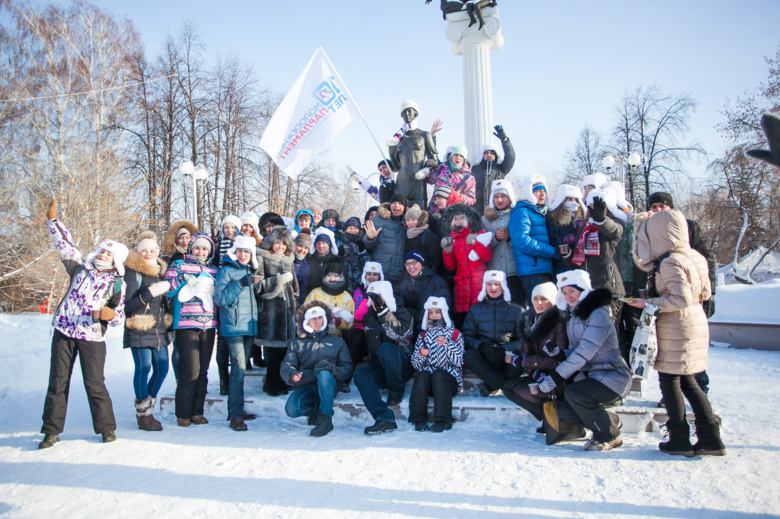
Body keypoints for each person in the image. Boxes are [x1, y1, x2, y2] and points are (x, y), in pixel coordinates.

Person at [628, 209, 726, 456]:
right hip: (695, 322)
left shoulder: (669, 261)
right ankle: (710, 438)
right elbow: (702, 294)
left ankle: (680, 439)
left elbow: (679, 299)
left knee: (670, 381)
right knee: (690, 382)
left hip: (677, 326)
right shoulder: (695, 256)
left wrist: (648, 303)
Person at [38, 199, 127, 449]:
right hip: (64, 331)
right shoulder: (79, 267)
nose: (103, 254)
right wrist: (53, 221)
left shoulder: (117, 283)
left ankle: (106, 428)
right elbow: (64, 245)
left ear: (115, 259)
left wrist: (109, 315)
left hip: (92, 338)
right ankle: (51, 431)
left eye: (109, 253)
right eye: (102, 250)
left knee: (94, 383)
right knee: (57, 381)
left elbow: (119, 315)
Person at [538, 270, 632, 452]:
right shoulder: (574, 315)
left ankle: (609, 436)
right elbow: (576, 349)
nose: (568, 296)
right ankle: (611, 421)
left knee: (575, 394)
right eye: (564, 293)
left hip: (613, 375)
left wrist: (557, 377)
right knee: (567, 411)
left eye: (572, 291)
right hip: (593, 375)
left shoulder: (598, 315)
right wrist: (559, 354)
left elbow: (585, 351)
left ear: (583, 290)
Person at [646, 191, 717, 400]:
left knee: (690, 346)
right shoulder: (651, 229)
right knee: (670, 350)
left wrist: (710, 293)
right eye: (654, 207)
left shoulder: (688, 226)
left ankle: (700, 389)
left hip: (689, 295)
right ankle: (670, 395)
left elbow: (705, 258)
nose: (658, 210)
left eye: (662, 206)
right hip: (666, 296)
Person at [165, 232, 218, 427]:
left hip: (209, 325)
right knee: (190, 370)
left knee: (203, 371)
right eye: (197, 248)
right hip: (186, 325)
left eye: (205, 249)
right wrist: (183, 281)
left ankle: (197, 412)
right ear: (191, 248)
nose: (201, 252)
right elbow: (168, 289)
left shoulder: (214, 270)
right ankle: (183, 413)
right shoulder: (179, 265)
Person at [281, 301, 354, 437]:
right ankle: (316, 409)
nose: (317, 321)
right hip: (306, 385)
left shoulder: (337, 342)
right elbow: (287, 365)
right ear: (306, 321)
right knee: (291, 409)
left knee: (324, 374)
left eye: (320, 318)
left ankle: (325, 418)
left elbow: (347, 369)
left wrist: (332, 369)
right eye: (313, 318)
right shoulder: (296, 343)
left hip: (328, 385)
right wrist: (291, 374)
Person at [501, 282, 568, 430]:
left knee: (538, 389)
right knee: (508, 388)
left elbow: (558, 358)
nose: (539, 303)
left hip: (558, 375)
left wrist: (530, 363)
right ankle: (547, 414)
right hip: (538, 372)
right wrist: (535, 372)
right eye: (535, 299)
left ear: (551, 300)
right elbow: (526, 356)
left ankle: (560, 415)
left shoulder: (558, 321)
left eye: (543, 299)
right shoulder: (527, 320)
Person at [123, 231, 171, 432]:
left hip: (159, 328)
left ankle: (147, 406)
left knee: (162, 368)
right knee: (143, 369)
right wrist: (151, 292)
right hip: (140, 325)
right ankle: (143, 415)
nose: (149, 254)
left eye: (152, 250)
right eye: (145, 250)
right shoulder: (134, 271)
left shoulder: (161, 271)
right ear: (139, 252)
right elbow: (128, 304)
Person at [353, 280, 415, 435]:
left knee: (386, 348)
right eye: (372, 297)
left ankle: (396, 391)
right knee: (360, 374)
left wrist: (384, 313)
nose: (374, 301)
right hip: (381, 365)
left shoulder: (402, 312)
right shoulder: (368, 317)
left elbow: (401, 334)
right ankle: (384, 417)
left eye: (377, 297)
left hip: (402, 365)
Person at [560, 186, 626, 322]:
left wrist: (601, 218)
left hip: (609, 288)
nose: (593, 210)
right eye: (591, 206)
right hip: (588, 290)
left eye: (598, 207)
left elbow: (615, 231)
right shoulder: (584, 230)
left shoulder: (615, 224)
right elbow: (579, 262)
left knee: (609, 331)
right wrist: (567, 255)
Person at [214, 235, 260, 432]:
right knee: (239, 369)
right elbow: (220, 299)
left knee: (242, 370)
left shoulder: (250, 271)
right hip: (233, 328)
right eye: (240, 251)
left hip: (249, 326)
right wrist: (240, 284)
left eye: (247, 252)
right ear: (234, 252)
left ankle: (236, 409)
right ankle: (235, 415)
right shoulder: (226, 271)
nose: (243, 255)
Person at [462, 270, 524, 397]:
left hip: (507, 356)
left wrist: (504, 349)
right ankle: (504, 385)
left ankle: (490, 384)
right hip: (485, 355)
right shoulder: (475, 310)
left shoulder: (517, 310)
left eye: (496, 284)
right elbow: (467, 336)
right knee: (469, 355)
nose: (493, 288)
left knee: (522, 360)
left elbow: (523, 339)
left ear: (503, 286)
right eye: (489, 284)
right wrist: (481, 346)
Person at [255, 225, 299, 397]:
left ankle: (278, 380)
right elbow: (257, 286)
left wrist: (294, 305)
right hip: (270, 311)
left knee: (284, 351)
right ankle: (270, 382)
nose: (280, 246)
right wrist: (277, 280)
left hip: (287, 312)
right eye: (277, 242)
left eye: (283, 243)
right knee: (274, 351)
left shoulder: (289, 260)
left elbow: (294, 286)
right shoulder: (262, 258)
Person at [408, 297, 464, 432]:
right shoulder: (423, 336)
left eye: (437, 312)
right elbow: (415, 364)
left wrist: (447, 345)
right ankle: (418, 419)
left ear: (443, 314)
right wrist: (421, 354)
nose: (433, 316)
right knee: (422, 375)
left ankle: (443, 420)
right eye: (430, 313)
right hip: (429, 384)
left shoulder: (455, 334)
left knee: (439, 374)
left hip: (448, 383)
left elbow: (459, 361)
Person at [508, 175, 559, 307]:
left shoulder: (544, 212)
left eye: (543, 190)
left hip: (545, 267)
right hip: (532, 270)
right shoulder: (522, 212)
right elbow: (522, 241)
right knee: (538, 309)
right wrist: (553, 251)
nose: (541, 194)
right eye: (537, 191)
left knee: (549, 308)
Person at [440, 203, 493, 328]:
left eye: (461, 218)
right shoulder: (452, 238)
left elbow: (488, 256)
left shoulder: (479, 233)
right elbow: (450, 267)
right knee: (462, 323)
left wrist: (475, 243)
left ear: (467, 219)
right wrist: (446, 252)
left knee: (480, 321)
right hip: (462, 286)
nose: (458, 221)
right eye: (456, 219)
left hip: (478, 284)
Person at [211, 214, 242, 395]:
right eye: (226, 227)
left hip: (238, 295)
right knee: (222, 339)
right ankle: (224, 378)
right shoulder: (217, 248)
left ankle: (236, 376)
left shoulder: (241, 247)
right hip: (221, 293)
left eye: (233, 227)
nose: (229, 231)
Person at [388, 100, 439, 209]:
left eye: (409, 111)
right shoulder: (398, 139)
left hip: (418, 183)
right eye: (404, 112)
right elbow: (397, 167)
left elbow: (435, 160)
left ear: (415, 113)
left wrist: (427, 167)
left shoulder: (424, 135)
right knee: (401, 217)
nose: (407, 114)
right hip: (402, 183)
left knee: (418, 217)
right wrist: (391, 152)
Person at [482, 179, 524, 305]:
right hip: (495, 275)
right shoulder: (485, 219)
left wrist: (509, 238)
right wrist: (495, 237)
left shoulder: (517, 215)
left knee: (518, 307)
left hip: (515, 273)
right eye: (496, 197)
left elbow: (523, 243)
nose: (499, 200)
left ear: (510, 198)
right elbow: (482, 247)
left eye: (503, 196)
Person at [398, 250, 451, 340]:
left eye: (414, 262)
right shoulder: (405, 283)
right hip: (410, 326)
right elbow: (401, 305)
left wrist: (414, 315)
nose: (411, 266)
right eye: (407, 264)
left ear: (422, 263)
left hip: (433, 327)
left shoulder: (437, 281)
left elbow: (445, 307)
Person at [363, 194, 409, 287]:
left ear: (404, 207)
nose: (396, 206)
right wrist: (371, 238)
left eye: (400, 204)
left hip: (401, 275)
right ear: (390, 205)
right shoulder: (379, 220)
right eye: (394, 203)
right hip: (381, 273)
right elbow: (368, 245)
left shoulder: (408, 222)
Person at [347, 262, 384, 368]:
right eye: (369, 274)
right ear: (365, 275)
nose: (372, 277)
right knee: (356, 338)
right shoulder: (359, 291)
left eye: (375, 275)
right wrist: (367, 302)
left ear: (379, 276)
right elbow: (357, 315)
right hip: (360, 326)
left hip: (377, 326)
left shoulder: (384, 291)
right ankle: (349, 367)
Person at [472, 125, 516, 215]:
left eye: (492, 153)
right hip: (477, 211)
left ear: (496, 156)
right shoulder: (475, 169)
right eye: (486, 153)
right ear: (483, 155)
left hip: (496, 210)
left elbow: (511, 157)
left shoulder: (501, 169)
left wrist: (505, 140)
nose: (489, 155)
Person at [304, 263, 355, 339]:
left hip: (336, 338)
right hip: (315, 336)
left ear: (341, 277)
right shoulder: (315, 293)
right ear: (324, 276)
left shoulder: (346, 296)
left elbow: (351, 322)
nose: (332, 279)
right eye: (329, 276)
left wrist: (340, 323)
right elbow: (304, 313)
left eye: (336, 276)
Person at [545, 184, 587, 275]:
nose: (573, 202)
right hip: (562, 263)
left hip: (581, 262)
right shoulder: (554, 217)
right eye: (569, 199)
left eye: (575, 199)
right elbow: (551, 239)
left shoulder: (583, 217)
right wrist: (564, 241)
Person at [424, 145, 476, 215]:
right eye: (456, 155)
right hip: (433, 213)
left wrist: (458, 196)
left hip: (452, 216)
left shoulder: (469, 177)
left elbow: (471, 199)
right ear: (451, 157)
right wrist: (427, 167)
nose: (458, 158)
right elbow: (429, 180)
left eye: (461, 156)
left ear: (464, 159)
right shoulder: (441, 169)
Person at [403, 204, 443, 273]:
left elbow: (435, 259)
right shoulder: (408, 234)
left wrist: (429, 273)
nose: (410, 223)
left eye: (413, 220)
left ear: (419, 220)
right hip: (412, 272)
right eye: (408, 220)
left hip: (426, 273)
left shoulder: (428, 235)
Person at [307, 228, 342, 293]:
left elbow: (342, 281)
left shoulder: (337, 261)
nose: (321, 246)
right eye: (318, 243)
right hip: (310, 296)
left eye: (324, 243)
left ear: (329, 245)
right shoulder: (309, 260)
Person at [341, 216, 367, 293]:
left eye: (355, 228)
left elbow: (366, 262)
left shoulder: (362, 242)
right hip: (344, 277)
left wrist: (362, 251)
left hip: (358, 278)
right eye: (350, 228)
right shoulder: (341, 242)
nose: (353, 230)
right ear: (346, 229)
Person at [293, 231, 312, 306]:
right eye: (300, 246)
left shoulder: (306, 266)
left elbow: (303, 290)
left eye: (306, 248)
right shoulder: (287, 259)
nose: (302, 250)